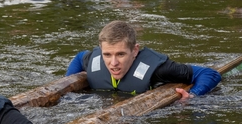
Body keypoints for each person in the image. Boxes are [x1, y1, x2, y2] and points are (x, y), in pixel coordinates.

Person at [66, 20, 222, 98]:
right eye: (107, 55)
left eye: (121, 54)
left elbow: (210, 74)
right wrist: (68, 82)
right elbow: (80, 56)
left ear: (134, 50)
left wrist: (193, 96)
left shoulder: (160, 69)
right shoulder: (92, 60)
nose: (113, 63)